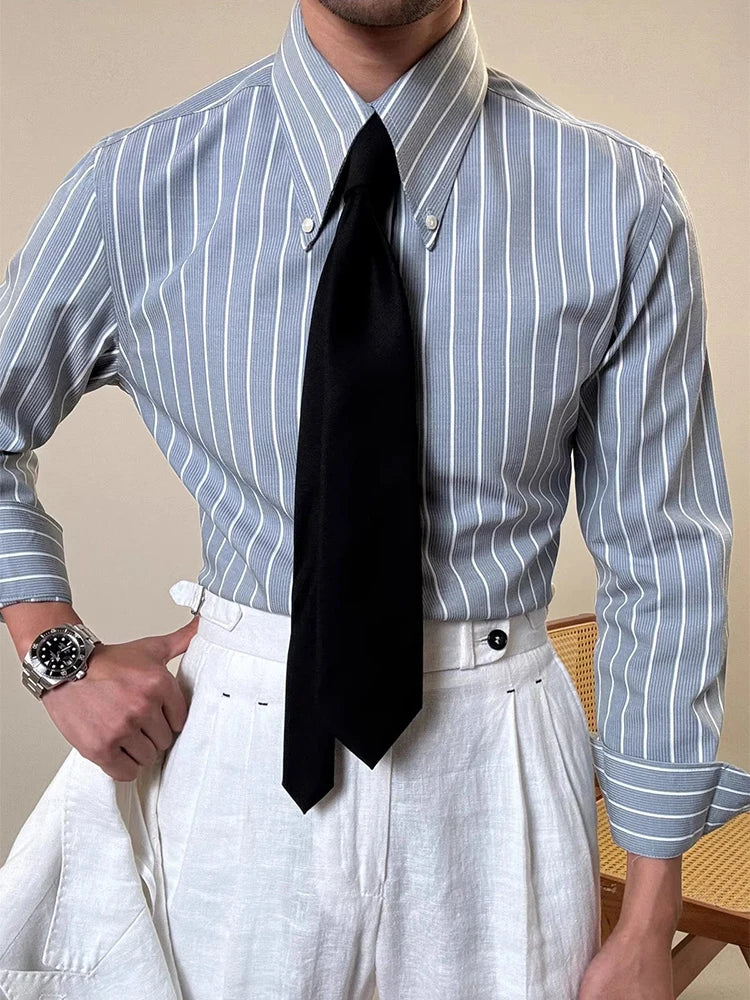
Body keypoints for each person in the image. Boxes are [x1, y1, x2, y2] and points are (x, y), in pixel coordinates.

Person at [0, 0, 748, 998]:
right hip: (236, 764)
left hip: (499, 771)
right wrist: (55, 654)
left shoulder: (617, 202)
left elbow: (666, 557)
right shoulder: (136, 187)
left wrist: (650, 918)